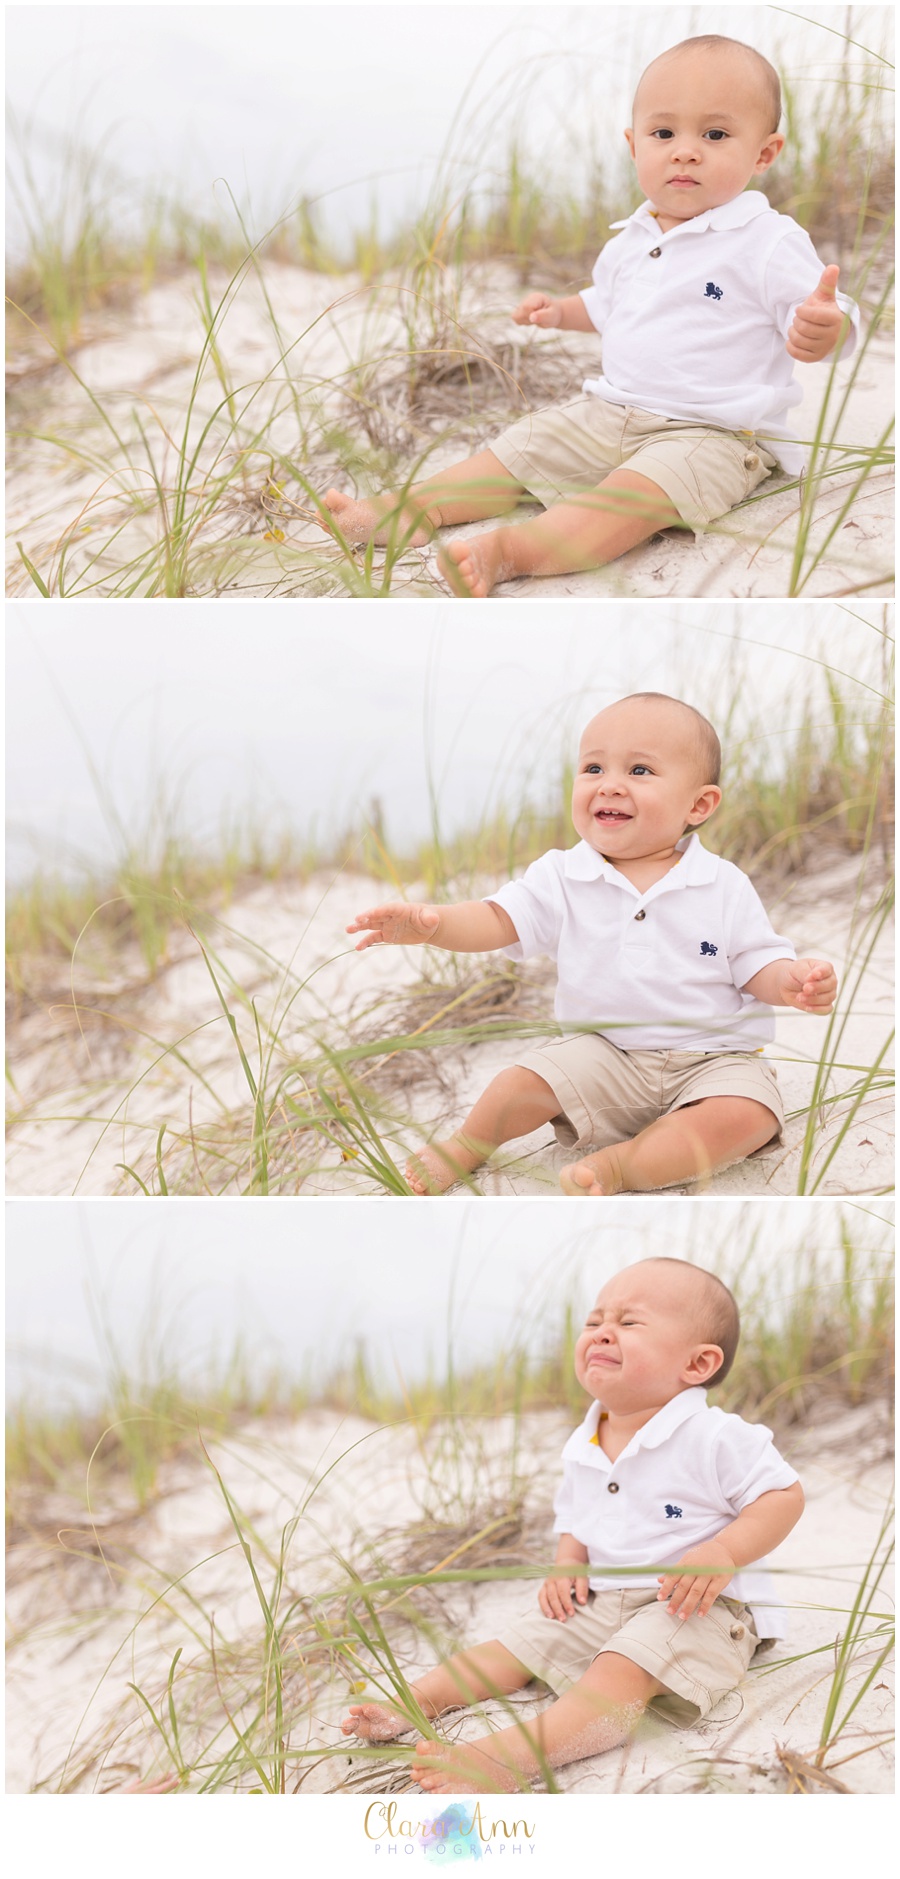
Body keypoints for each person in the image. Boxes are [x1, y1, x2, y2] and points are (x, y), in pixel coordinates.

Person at [320, 35, 858, 596]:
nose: (685, 150)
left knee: (634, 497)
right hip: (611, 411)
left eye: (715, 134)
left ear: (765, 153)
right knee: (523, 446)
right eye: (663, 133)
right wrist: (560, 311)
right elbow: (607, 305)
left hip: (714, 433)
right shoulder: (633, 236)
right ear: (633, 145)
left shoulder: (766, 240)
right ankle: (411, 509)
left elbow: (825, 310)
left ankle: (512, 551)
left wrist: (827, 326)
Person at [341, 1257, 805, 1792]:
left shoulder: (715, 1435)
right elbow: (578, 1514)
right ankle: (412, 1703)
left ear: (697, 1364)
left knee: (620, 1673)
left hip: (695, 1603)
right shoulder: (586, 1439)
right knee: (513, 1646)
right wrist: (568, 1561)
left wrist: (723, 1551)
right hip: (603, 1597)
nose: (603, 1332)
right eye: (594, 1322)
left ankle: (510, 1758)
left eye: (629, 1323)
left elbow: (782, 1496)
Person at [347, 692, 838, 1195]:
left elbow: (755, 963)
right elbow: (497, 919)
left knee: (746, 1114)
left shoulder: (722, 883)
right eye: (594, 768)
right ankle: (466, 1145)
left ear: (699, 804)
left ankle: (620, 1167)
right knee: (520, 1082)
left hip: (713, 1062)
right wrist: (435, 925)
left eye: (640, 771)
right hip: (605, 1057)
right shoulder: (563, 875)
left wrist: (791, 981)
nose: (611, 786)